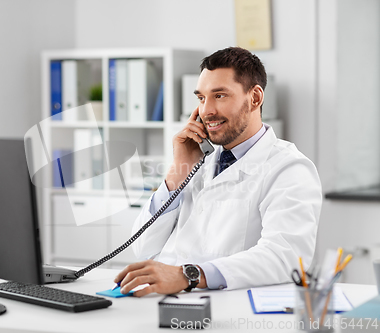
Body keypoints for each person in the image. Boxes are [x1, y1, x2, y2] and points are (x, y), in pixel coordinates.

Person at [114, 47, 322, 297]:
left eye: (220, 96)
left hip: (226, 310)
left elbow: (284, 257)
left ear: (255, 98)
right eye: (201, 98)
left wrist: (187, 275)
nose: (207, 110)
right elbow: (143, 247)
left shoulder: (289, 168)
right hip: (163, 301)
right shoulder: (197, 164)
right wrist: (177, 173)